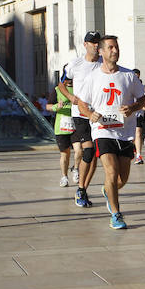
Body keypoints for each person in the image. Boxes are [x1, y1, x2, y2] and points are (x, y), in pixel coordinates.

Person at [77, 35, 145, 229]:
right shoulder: (92, 77)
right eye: (110, 47)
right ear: (101, 51)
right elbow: (81, 103)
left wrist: (132, 108)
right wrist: (89, 114)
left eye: (116, 47)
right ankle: (116, 215)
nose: (115, 51)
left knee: (121, 179)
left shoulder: (129, 76)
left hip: (125, 132)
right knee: (111, 171)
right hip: (102, 131)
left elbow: (142, 100)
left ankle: (108, 190)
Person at [58, 31, 102, 207]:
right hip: (80, 114)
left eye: (98, 42)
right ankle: (81, 189)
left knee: (95, 156)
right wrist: (70, 97)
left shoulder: (104, 63)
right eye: (92, 42)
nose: (96, 45)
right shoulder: (75, 64)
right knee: (88, 151)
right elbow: (61, 84)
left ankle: (83, 188)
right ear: (85, 45)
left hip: (99, 114)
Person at [49, 77, 78, 187]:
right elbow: (48, 106)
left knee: (79, 150)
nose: (70, 80)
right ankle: (64, 176)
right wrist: (56, 106)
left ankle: (76, 169)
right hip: (62, 126)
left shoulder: (78, 88)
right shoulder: (57, 89)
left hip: (76, 125)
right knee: (65, 154)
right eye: (68, 78)